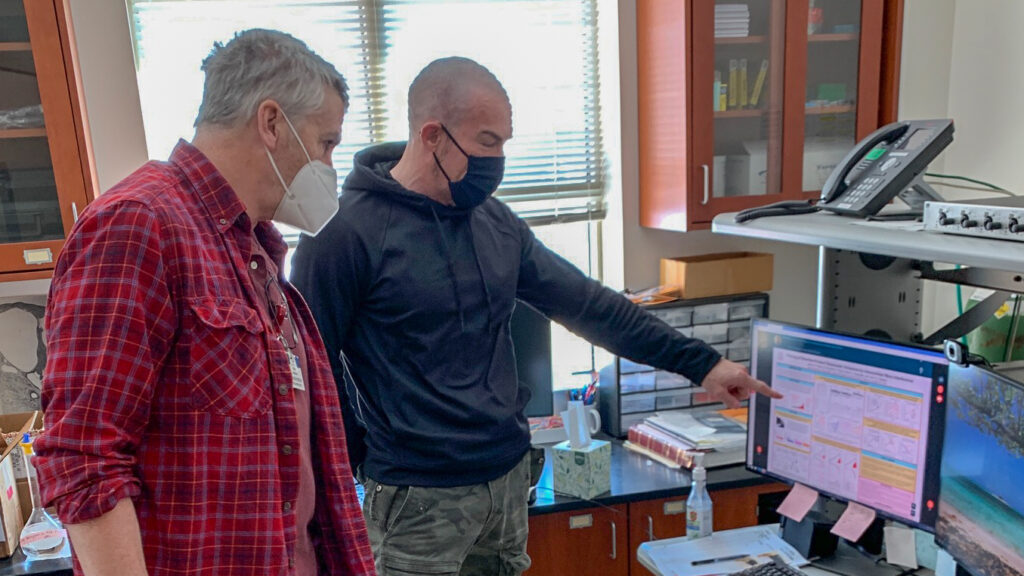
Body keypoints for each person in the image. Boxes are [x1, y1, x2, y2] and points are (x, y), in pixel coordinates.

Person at [290, 56, 781, 576]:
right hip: (417, 496)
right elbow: (308, 366)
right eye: (487, 141)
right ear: (432, 134)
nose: (498, 158)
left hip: (507, 479)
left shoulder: (495, 223)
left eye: (504, 141)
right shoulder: (344, 233)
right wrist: (360, 459)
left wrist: (703, 364)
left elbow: (588, 305)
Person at [34, 30, 374, 576]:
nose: (330, 165)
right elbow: (83, 459)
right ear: (271, 122)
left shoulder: (256, 256)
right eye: (326, 143)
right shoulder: (140, 225)